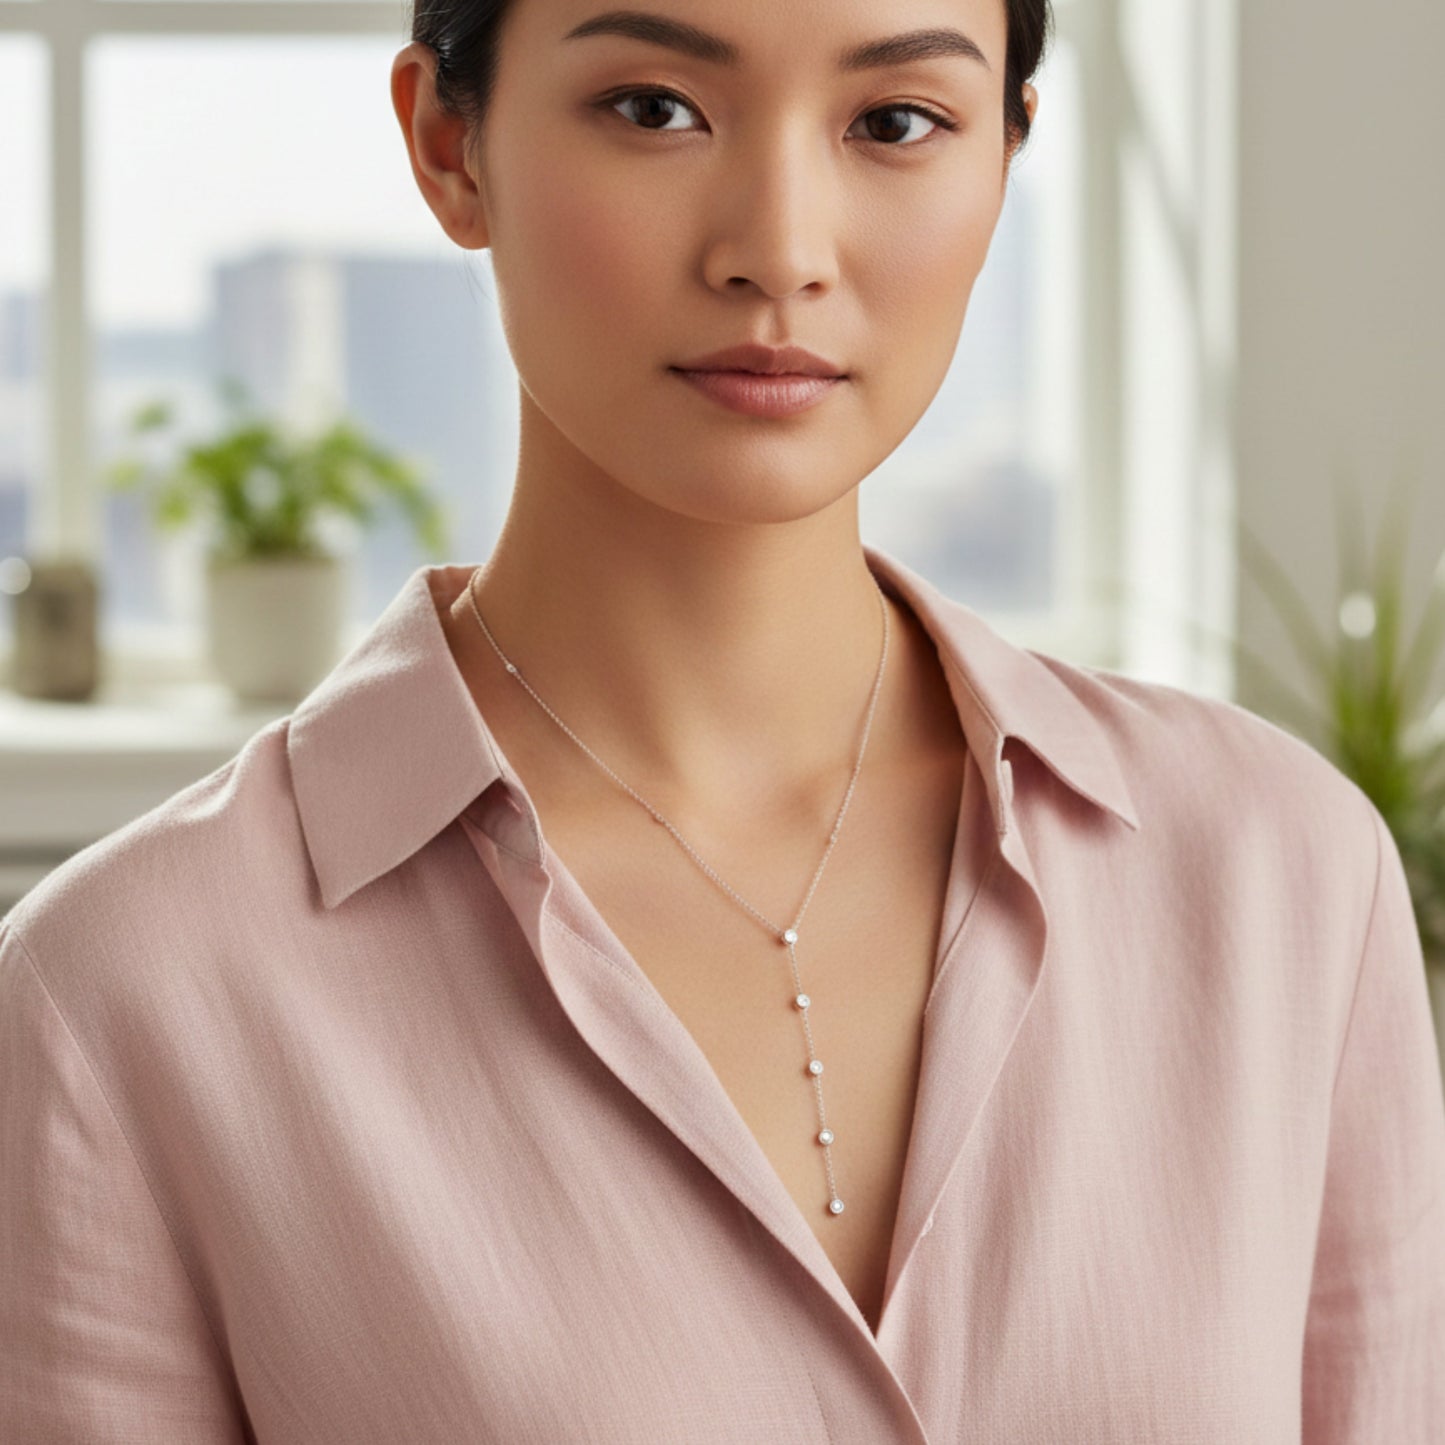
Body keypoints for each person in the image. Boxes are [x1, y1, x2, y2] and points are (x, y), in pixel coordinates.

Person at [3, 0, 1443, 1439]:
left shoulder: (1285, 877)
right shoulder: (120, 998)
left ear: (1004, 154)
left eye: (893, 123)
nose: (779, 249)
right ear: (451, 146)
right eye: (652, 109)